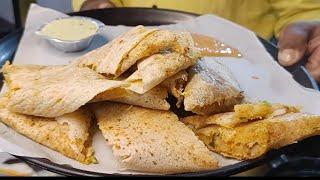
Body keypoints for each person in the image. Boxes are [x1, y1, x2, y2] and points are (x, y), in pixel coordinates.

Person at [71, 0, 320, 83]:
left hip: (242, 77)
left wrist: (310, 24)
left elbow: (302, 9)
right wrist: (93, 4)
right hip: (114, 56)